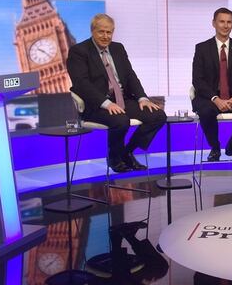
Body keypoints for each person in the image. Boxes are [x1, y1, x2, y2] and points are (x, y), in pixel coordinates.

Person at [67, 13, 166, 172]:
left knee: (158, 116)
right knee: (121, 121)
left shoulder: (118, 48)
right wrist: (106, 104)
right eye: (101, 32)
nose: (106, 36)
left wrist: (142, 98)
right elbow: (81, 84)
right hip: (96, 105)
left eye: (109, 32)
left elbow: (130, 75)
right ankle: (114, 158)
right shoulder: (79, 51)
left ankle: (127, 152)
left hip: (122, 100)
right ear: (93, 31)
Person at [191, 7, 232, 161]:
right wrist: (215, 98)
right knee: (206, 112)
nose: (225, 25)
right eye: (222, 21)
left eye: (229, 22)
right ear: (214, 23)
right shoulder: (202, 48)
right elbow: (197, 79)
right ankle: (215, 148)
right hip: (210, 98)